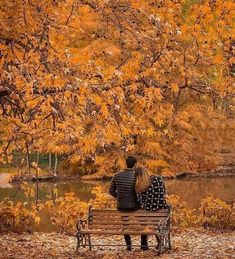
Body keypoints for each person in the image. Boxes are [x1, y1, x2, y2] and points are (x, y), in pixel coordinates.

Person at [109, 155, 140, 251]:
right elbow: (140, 191)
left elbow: (111, 191)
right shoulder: (137, 176)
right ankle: (144, 243)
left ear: (126, 164)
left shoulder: (117, 175)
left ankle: (129, 245)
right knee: (143, 219)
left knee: (125, 224)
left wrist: (119, 197)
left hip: (121, 206)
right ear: (135, 165)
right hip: (134, 206)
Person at [135, 167, 169, 250]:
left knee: (143, 217)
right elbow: (164, 193)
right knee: (155, 221)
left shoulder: (141, 186)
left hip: (149, 212)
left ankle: (144, 244)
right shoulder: (158, 179)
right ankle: (160, 242)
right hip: (162, 211)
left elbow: (140, 201)